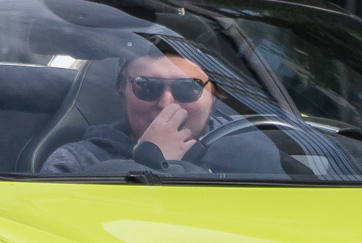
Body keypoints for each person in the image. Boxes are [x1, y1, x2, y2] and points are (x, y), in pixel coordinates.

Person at [38, 50, 281, 177]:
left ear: (214, 93)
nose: (166, 103)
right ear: (122, 90)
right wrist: (150, 163)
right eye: (147, 87)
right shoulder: (79, 163)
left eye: (187, 88)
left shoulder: (252, 148)